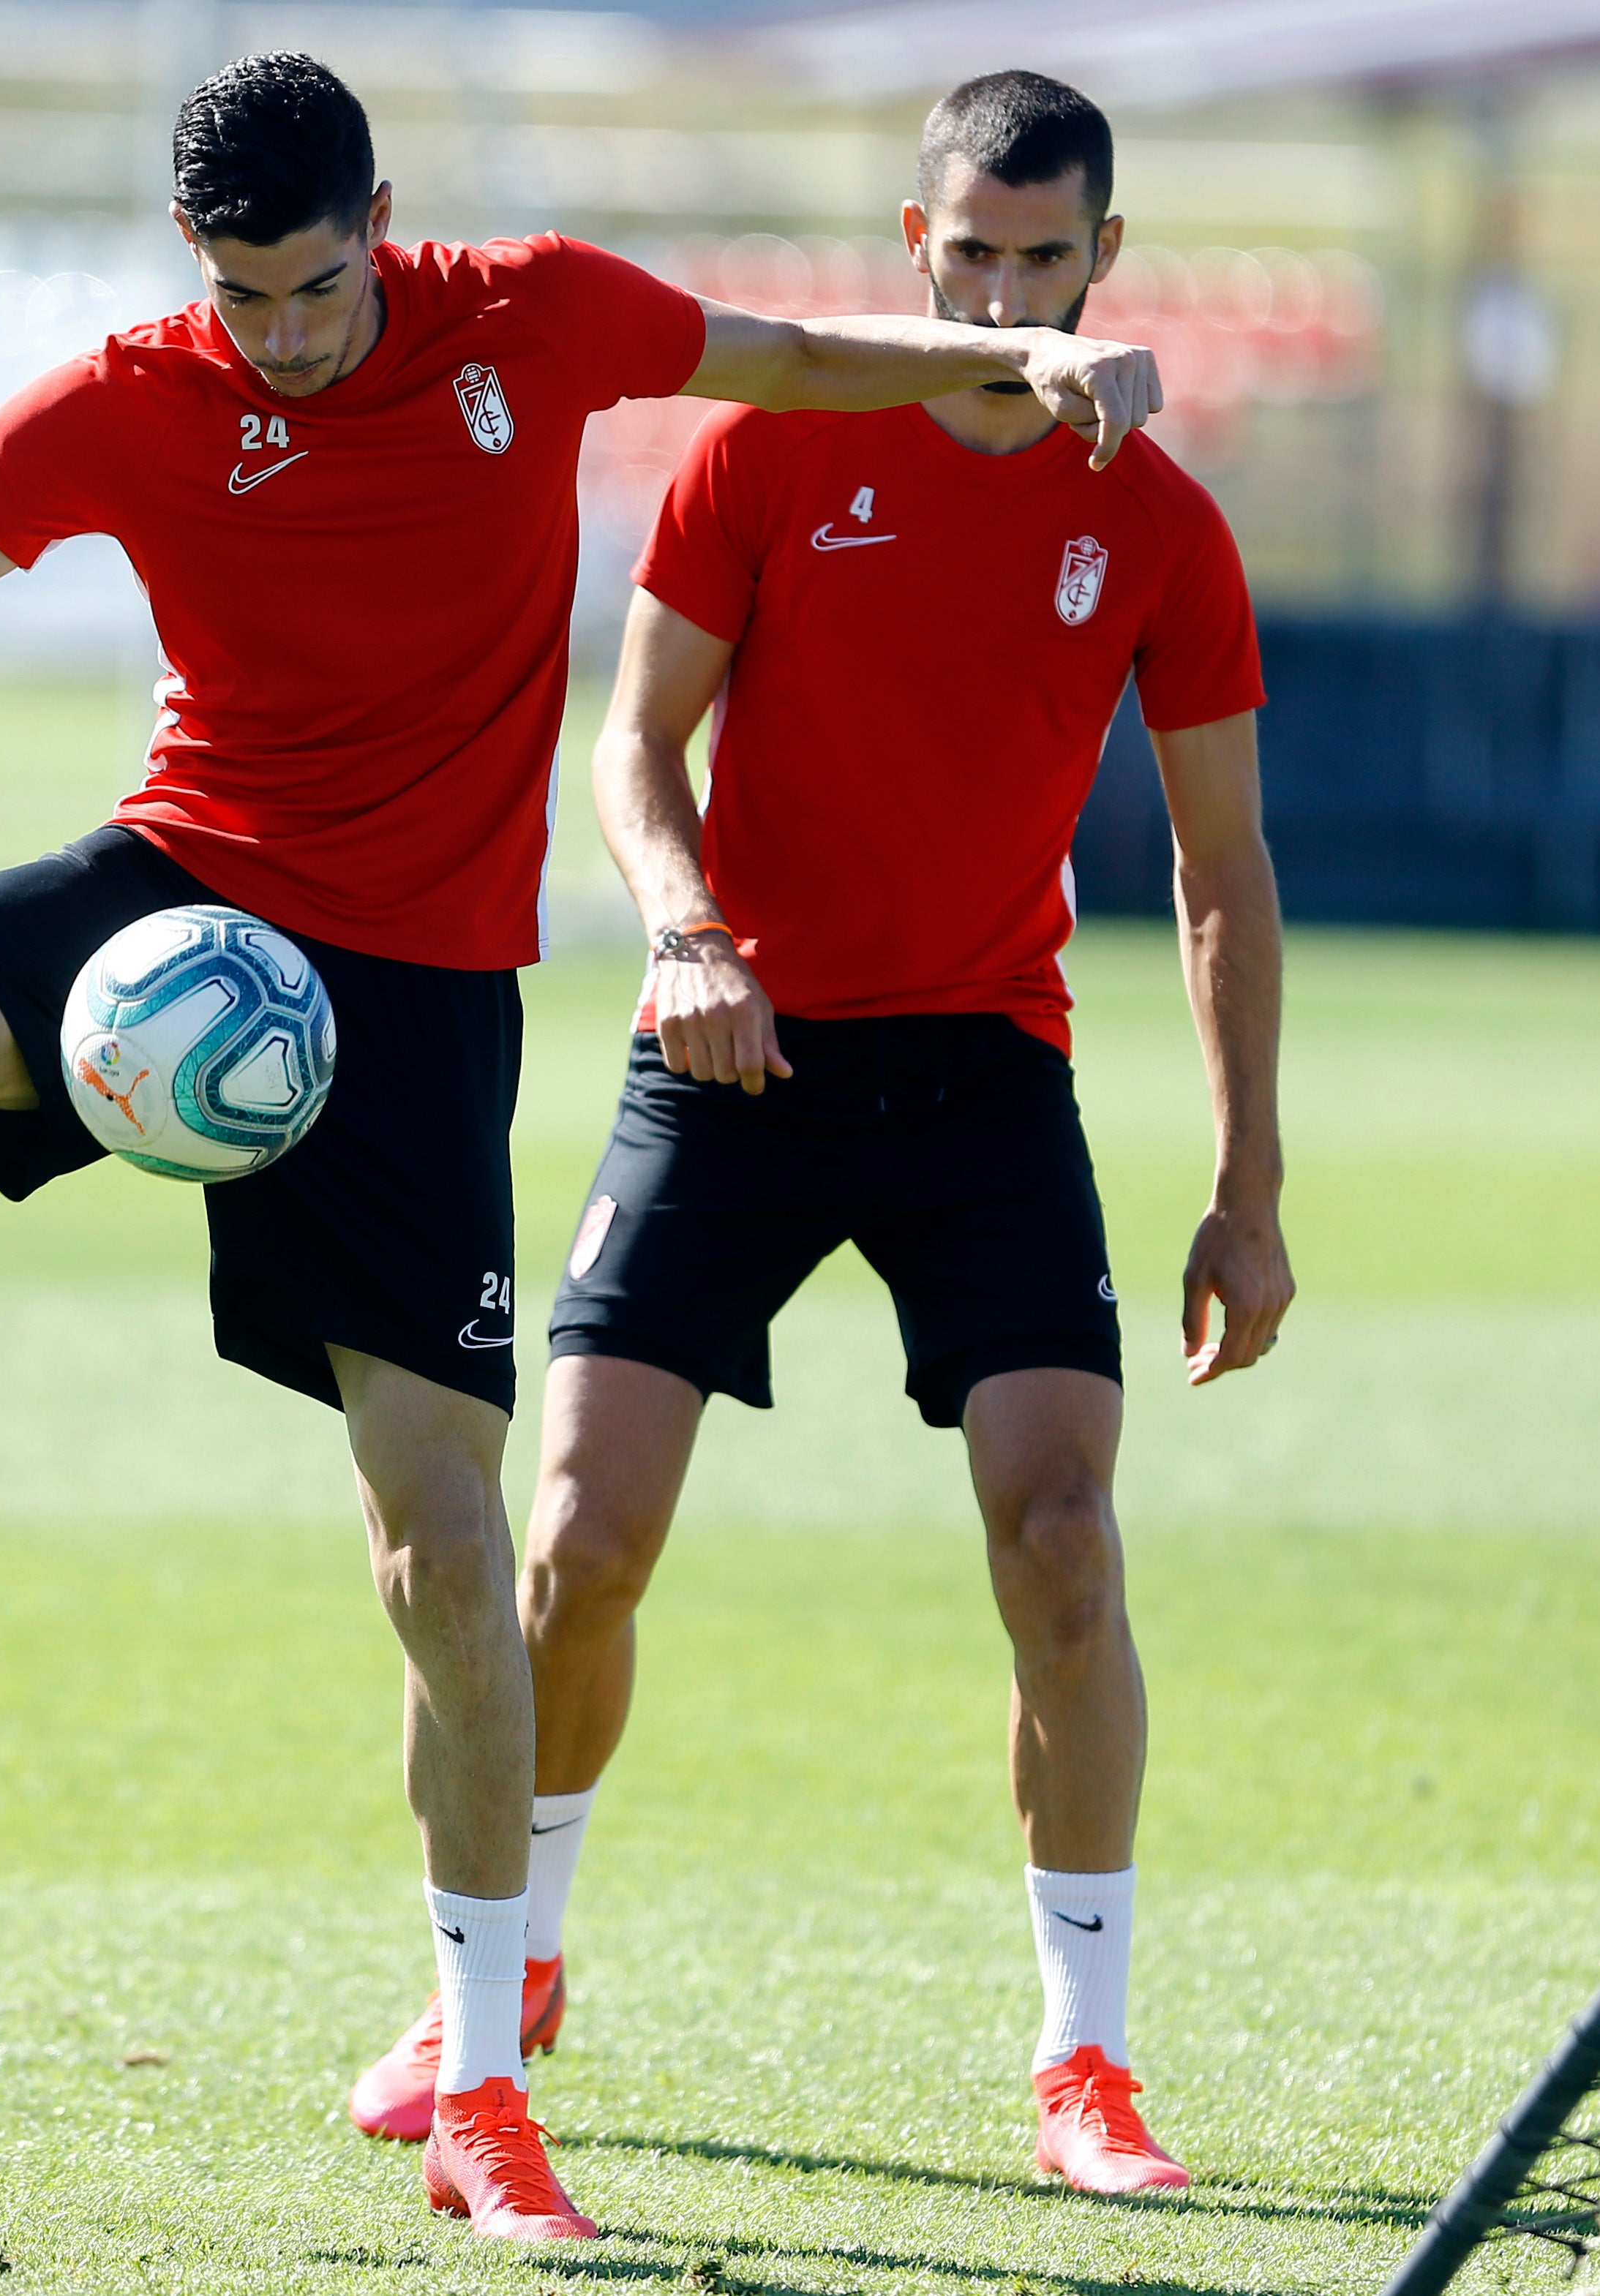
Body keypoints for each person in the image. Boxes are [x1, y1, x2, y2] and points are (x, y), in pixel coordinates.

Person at [0, 54, 1162, 2240]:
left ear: (382, 215)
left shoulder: (533, 318)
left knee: (448, 1558)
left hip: (407, 1007)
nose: (277, 332)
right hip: (183, 895)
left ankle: (481, 2084)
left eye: (310, 284)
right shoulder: (131, 395)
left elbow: (792, 352)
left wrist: (1016, 352)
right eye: (239, 295)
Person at [348, 69, 1291, 2196]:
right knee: (572, 1548)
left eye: (1044, 258)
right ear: (912, 242)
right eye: (969, 252)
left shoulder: (1157, 516)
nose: (1004, 289)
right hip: (730, 1063)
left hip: (981, 1079)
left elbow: (1218, 866)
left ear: (1103, 264)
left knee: (1063, 1547)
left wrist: (1242, 1189)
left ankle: (1085, 2061)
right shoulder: (772, 447)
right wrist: (685, 934)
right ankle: (504, 1981)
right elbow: (633, 744)